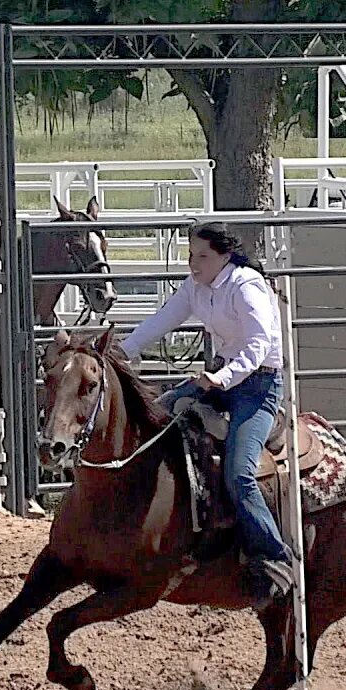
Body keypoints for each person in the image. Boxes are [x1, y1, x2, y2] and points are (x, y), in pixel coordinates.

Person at [117, 222, 294, 611]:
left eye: (202, 256)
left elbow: (259, 342)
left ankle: (275, 557)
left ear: (224, 257)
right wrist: (122, 351)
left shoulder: (246, 286)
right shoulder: (196, 287)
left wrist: (221, 377)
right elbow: (163, 320)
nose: (193, 264)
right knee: (156, 419)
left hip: (258, 388)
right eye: (190, 255)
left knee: (239, 471)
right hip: (220, 379)